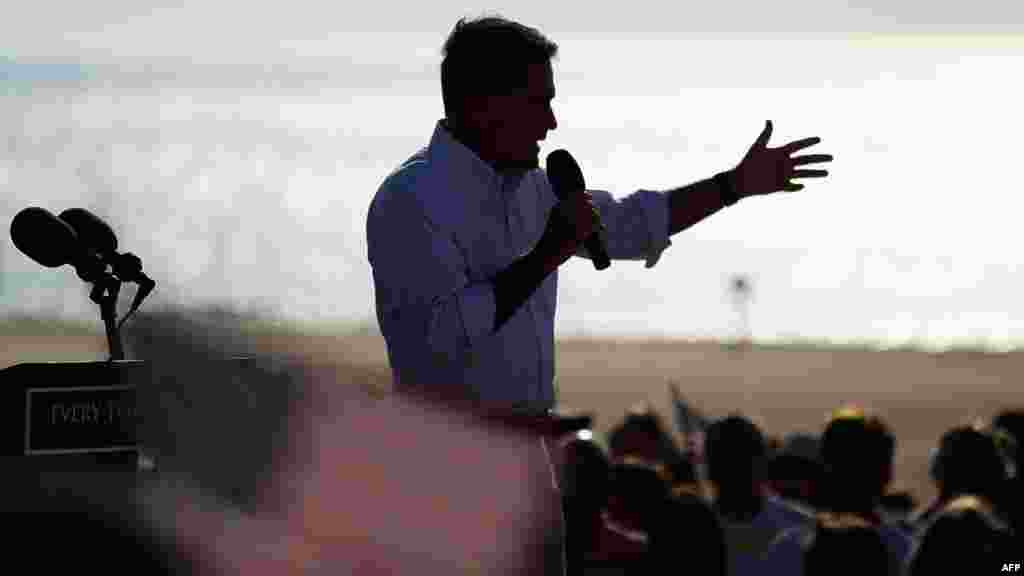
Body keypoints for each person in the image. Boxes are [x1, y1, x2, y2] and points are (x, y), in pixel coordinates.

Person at [366, 14, 833, 413]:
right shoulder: (409, 201)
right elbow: (434, 345)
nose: (551, 122)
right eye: (538, 102)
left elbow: (632, 223)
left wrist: (733, 186)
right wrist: (546, 255)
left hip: (532, 452)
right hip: (444, 461)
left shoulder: (535, 185)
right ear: (483, 105)